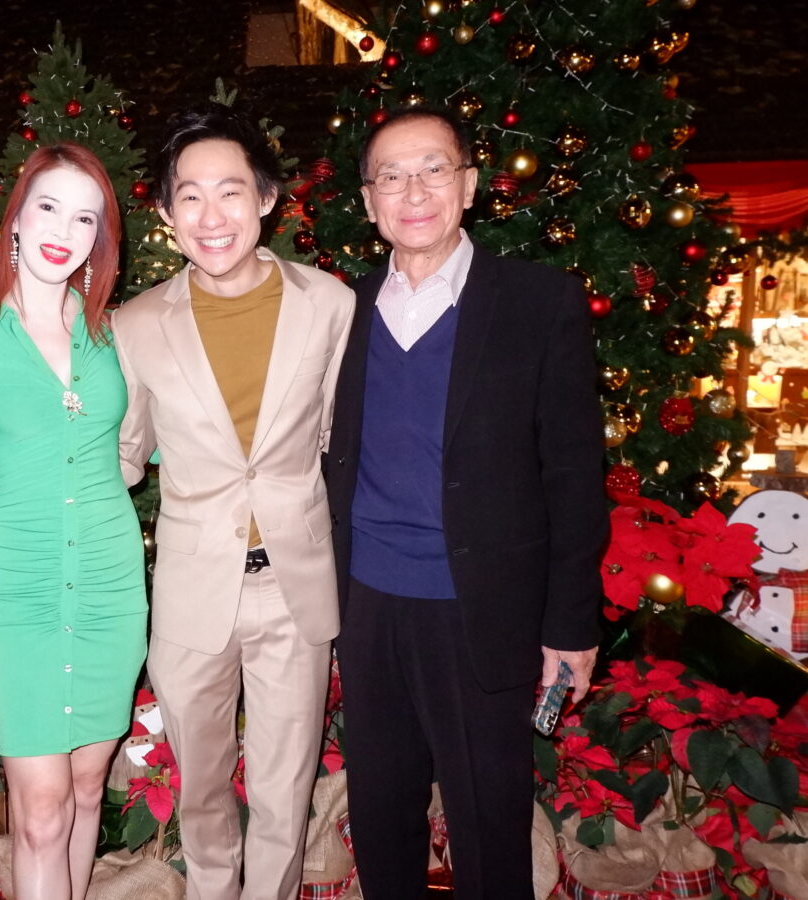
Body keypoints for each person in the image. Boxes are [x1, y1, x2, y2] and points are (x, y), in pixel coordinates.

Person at [324, 107, 608, 899]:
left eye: (434, 169)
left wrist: (570, 626)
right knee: (381, 817)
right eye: (391, 176)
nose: (413, 192)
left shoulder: (538, 303)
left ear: (470, 186)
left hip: (486, 609)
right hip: (367, 606)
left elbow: (574, 475)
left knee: (490, 822)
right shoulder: (336, 312)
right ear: (369, 201)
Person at [112, 104, 355, 900]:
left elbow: (339, 435)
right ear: (165, 211)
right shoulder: (136, 324)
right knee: (202, 791)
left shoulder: (330, 304)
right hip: (191, 590)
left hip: (294, 585)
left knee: (285, 793)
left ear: (267, 198)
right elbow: (123, 456)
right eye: (189, 196)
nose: (210, 215)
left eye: (230, 192)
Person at [0, 142, 147, 900]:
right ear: (16, 219)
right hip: (17, 590)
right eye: (49, 207)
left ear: (101, 237)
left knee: (88, 788)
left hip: (110, 586)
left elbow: (147, 443)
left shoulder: (115, 336)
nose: (65, 229)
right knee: (43, 809)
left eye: (86, 217)